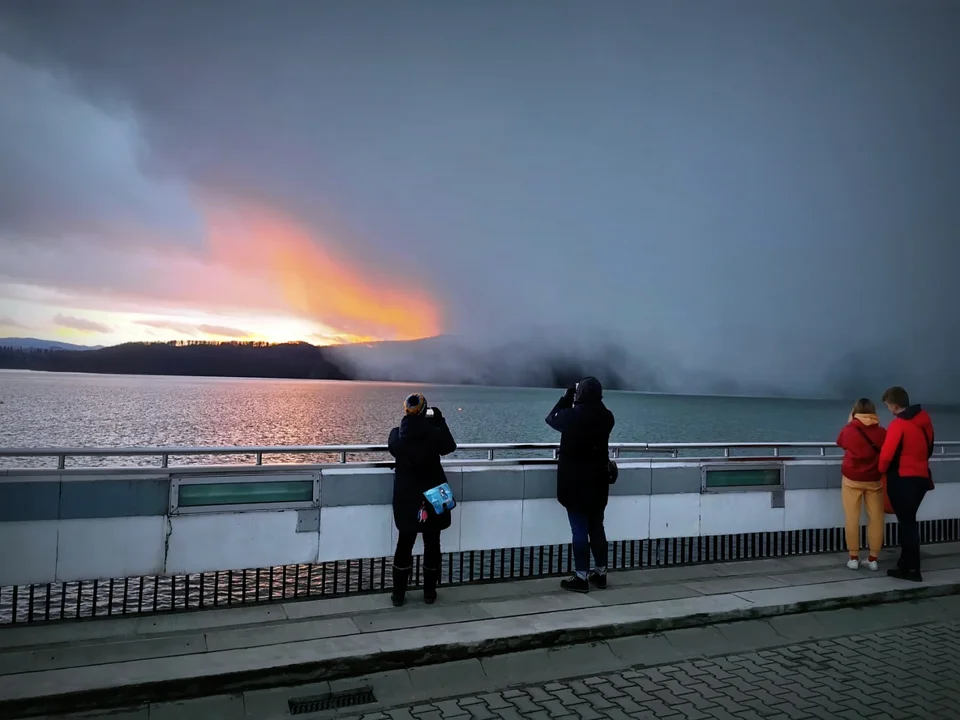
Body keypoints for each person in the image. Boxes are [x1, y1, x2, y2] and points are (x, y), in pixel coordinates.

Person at [545, 376, 616, 593]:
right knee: (597, 527)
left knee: (579, 529)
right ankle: (601, 574)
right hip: (598, 482)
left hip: (574, 483)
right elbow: (597, 409)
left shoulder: (572, 416)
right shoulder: (607, 417)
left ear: (580, 394)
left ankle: (581, 576)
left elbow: (551, 418)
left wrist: (567, 398)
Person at [387, 393, 457, 606]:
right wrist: (438, 420)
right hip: (432, 496)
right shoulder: (434, 434)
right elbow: (449, 446)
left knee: (404, 542)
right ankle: (429, 593)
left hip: (407, 498)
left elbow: (395, 449)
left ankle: (399, 594)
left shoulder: (396, 435)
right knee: (432, 542)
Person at [878, 386, 935, 582]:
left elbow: (886, 455)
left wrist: (881, 470)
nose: (888, 410)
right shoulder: (924, 420)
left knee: (907, 525)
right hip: (921, 478)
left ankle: (912, 569)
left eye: (887, 406)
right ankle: (904, 562)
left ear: (894, 405)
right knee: (908, 522)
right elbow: (930, 448)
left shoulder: (899, 424)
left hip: (902, 480)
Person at [835, 398, 887, 571]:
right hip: (874, 479)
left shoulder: (849, 430)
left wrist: (850, 423)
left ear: (854, 412)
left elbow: (840, 443)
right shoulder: (882, 432)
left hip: (852, 479)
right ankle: (873, 559)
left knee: (852, 517)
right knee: (876, 518)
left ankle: (853, 557)